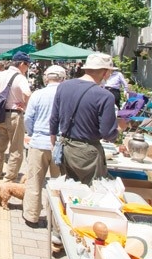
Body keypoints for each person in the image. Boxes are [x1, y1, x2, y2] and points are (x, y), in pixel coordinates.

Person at [50, 53, 119, 185]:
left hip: (66, 147)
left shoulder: (64, 86)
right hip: (88, 152)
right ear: (105, 72)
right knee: (92, 194)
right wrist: (118, 130)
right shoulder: (105, 96)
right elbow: (107, 133)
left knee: (69, 191)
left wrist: (53, 143)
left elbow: (54, 118)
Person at [22, 65, 65, 228]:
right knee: (59, 183)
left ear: (46, 78)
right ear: (63, 78)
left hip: (39, 142)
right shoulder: (66, 95)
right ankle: (57, 218)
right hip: (60, 144)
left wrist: (33, 132)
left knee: (34, 181)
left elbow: (28, 118)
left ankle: (31, 216)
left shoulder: (38, 94)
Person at [0, 51, 32, 182]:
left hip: (1, 115)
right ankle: (10, 177)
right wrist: (24, 104)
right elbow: (27, 93)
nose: (27, 67)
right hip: (15, 115)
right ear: (22, 64)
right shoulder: (21, 77)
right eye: (27, 64)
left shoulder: (1, 74)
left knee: (0, 147)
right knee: (16, 149)